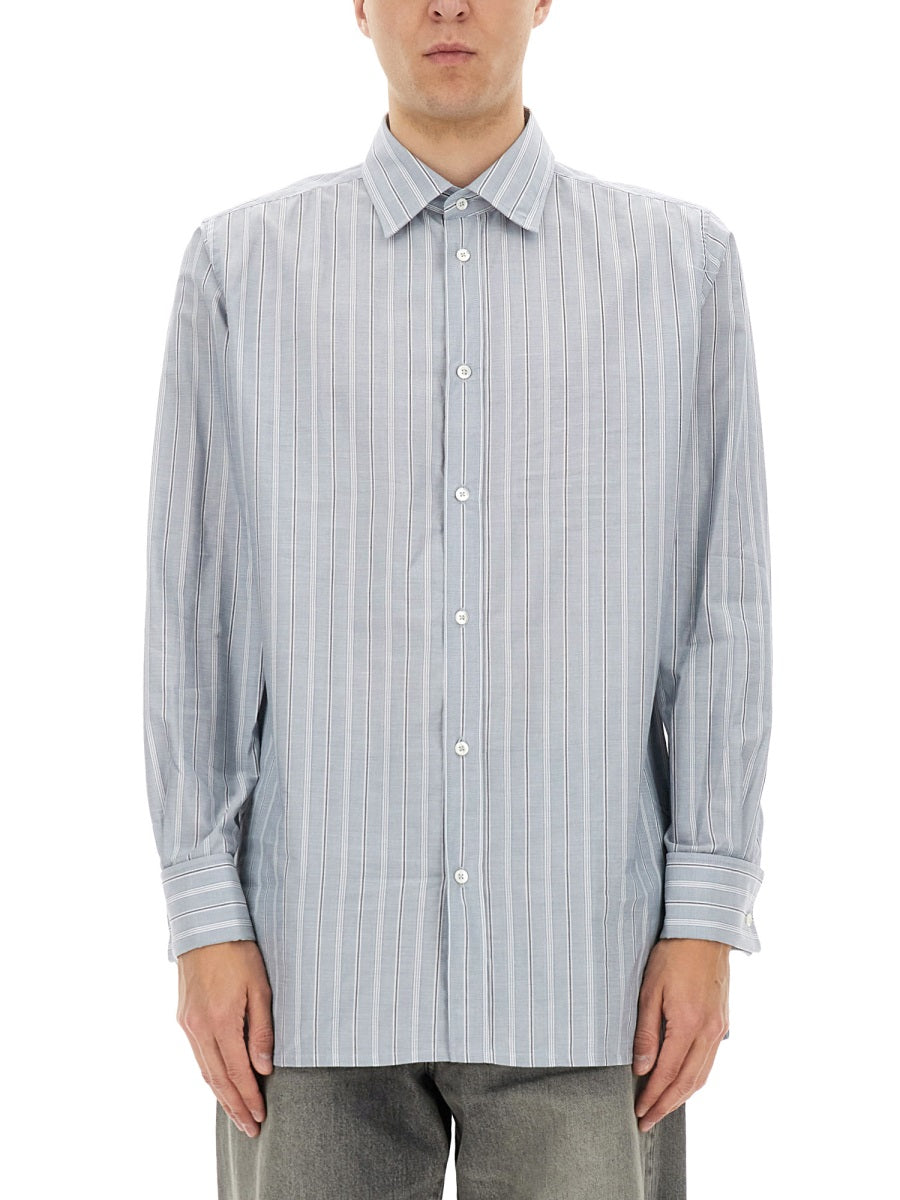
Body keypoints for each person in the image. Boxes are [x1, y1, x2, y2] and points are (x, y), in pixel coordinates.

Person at [143, 2, 772, 1196]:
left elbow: (721, 609)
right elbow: (198, 612)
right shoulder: (243, 268)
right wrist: (204, 915)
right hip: (311, 975)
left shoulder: (678, 268)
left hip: (589, 970)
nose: (447, 4)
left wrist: (705, 913)